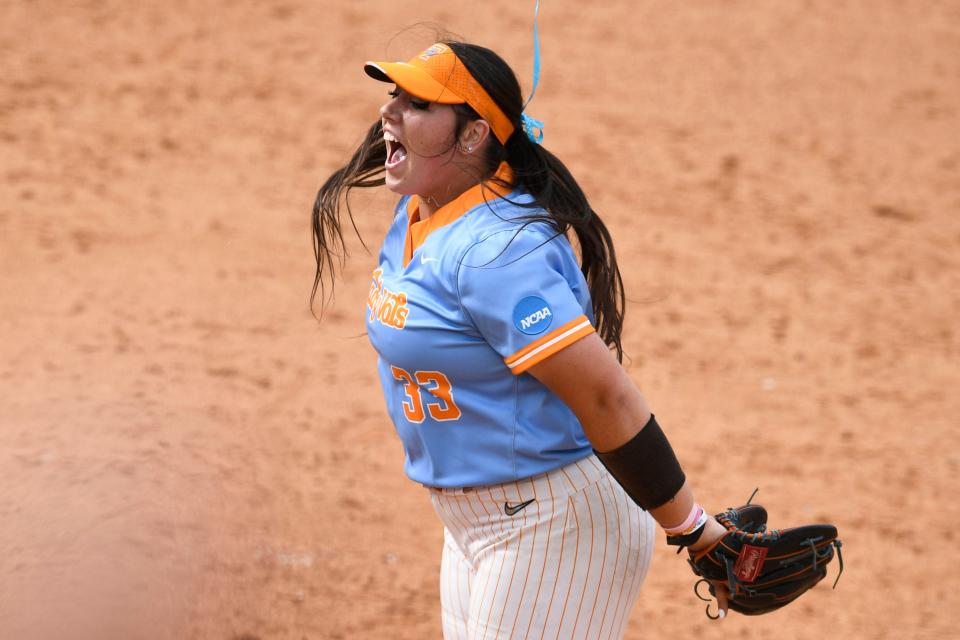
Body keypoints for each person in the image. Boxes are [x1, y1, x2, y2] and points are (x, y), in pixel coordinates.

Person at [311, 40, 732, 639]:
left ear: (473, 135)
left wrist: (692, 528)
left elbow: (605, 397)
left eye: (418, 103)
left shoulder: (497, 254)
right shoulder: (423, 209)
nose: (390, 112)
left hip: (552, 524)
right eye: (393, 96)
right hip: (474, 524)